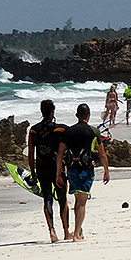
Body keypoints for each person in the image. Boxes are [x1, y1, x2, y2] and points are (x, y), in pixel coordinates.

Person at [56, 103, 110, 242]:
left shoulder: (67, 132)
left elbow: (60, 154)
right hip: (86, 170)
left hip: (72, 169)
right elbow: (102, 154)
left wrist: (58, 173)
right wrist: (106, 170)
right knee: (82, 203)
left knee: (77, 200)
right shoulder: (94, 132)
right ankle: (76, 235)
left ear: (76, 115)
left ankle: (78, 231)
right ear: (88, 115)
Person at [27, 99, 69, 242]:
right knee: (62, 199)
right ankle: (66, 231)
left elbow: (31, 153)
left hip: (42, 168)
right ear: (52, 112)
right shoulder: (60, 129)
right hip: (57, 169)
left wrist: (33, 173)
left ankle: (52, 231)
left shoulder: (33, 130)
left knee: (48, 199)